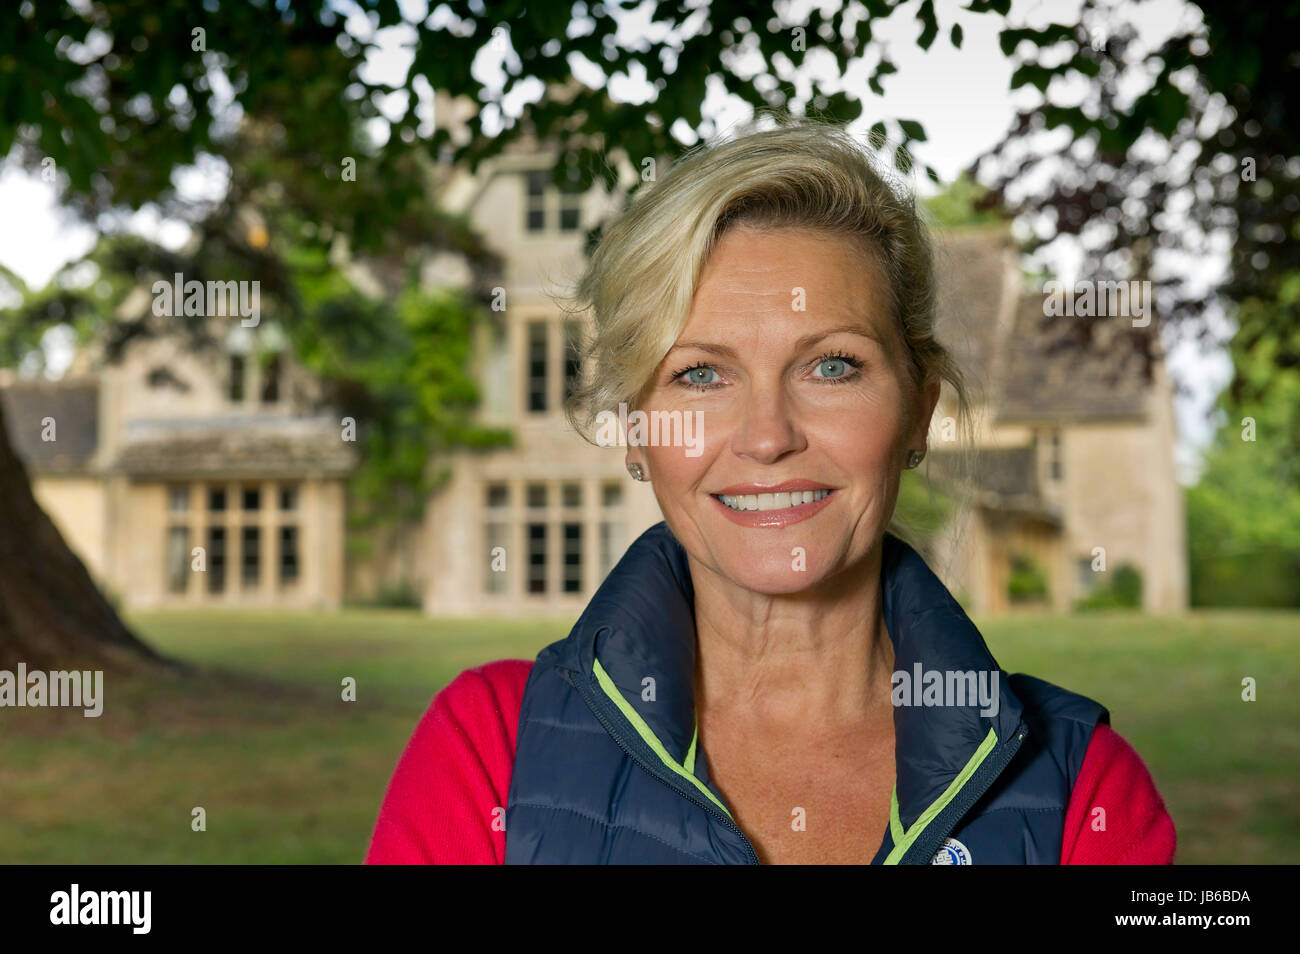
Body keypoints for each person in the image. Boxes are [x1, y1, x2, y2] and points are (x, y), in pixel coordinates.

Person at [366, 118, 1176, 864]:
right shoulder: (489, 753)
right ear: (637, 432)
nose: (766, 436)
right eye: (700, 374)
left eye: (832, 366)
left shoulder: (1078, 787)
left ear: (918, 410)